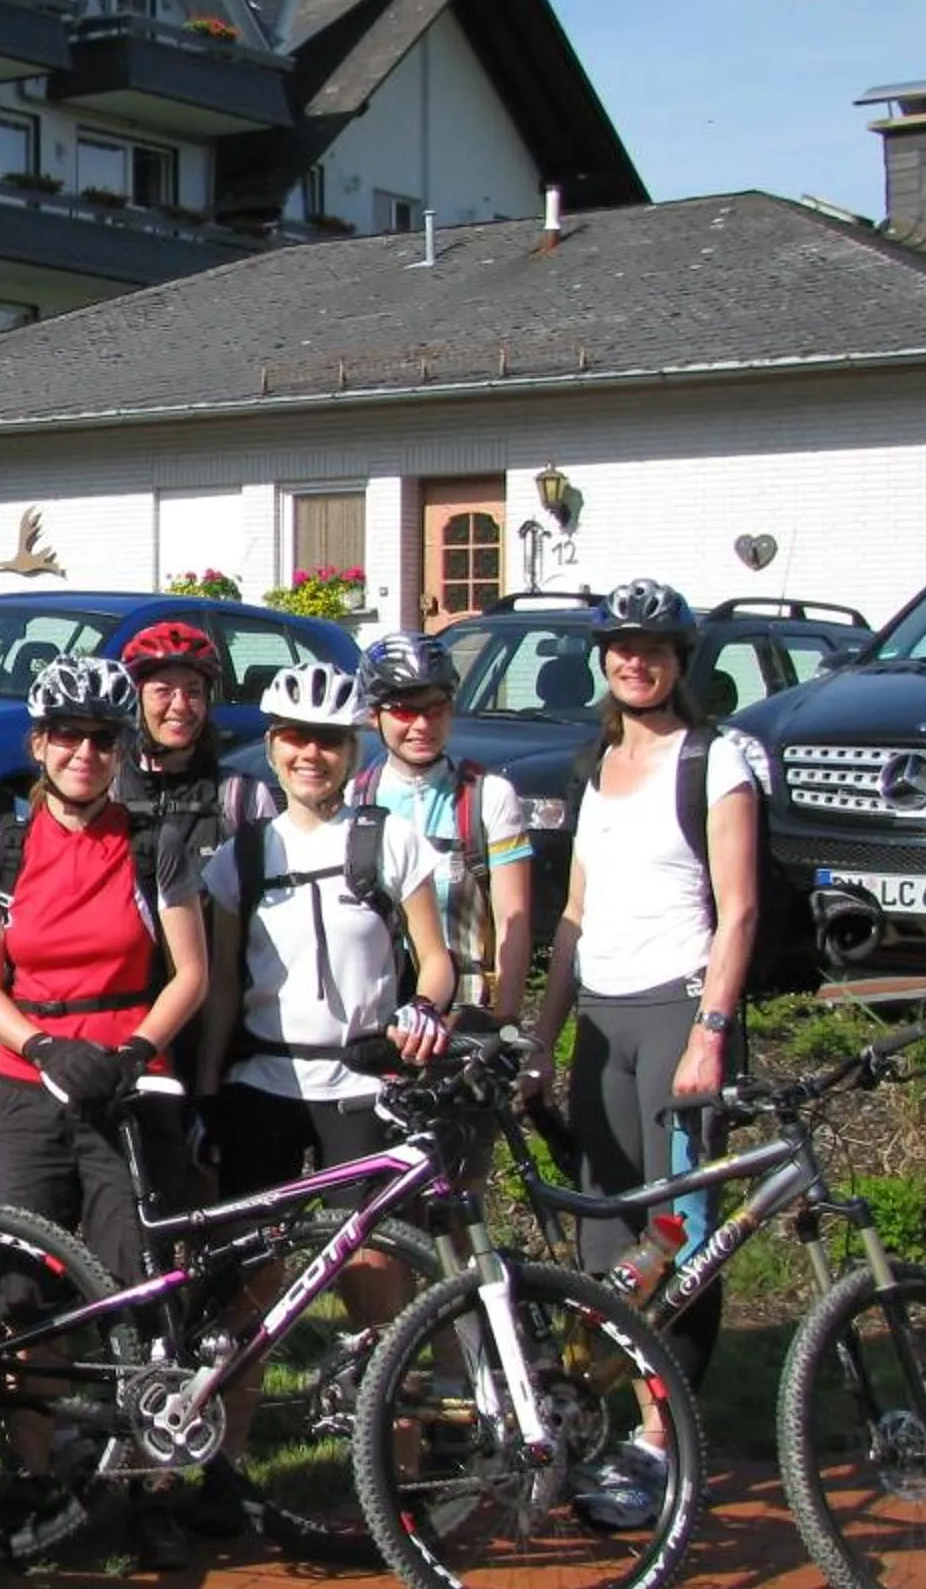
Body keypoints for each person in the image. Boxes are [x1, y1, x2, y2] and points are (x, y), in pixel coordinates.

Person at [0, 654, 211, 1567]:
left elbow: (190, 972)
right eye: (67, 736)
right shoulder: (9, 850)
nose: (85, 754)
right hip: (26, 1089)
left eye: (102, 739)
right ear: (39, 744)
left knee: (139, 1283)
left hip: (128, 1089)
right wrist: (39, 1044)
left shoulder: (155, 843)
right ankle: (38, 1473)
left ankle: (149, 1483)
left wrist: (136, 1050)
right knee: (24, 1290)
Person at [522, 579, 759, 1520]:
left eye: (653, 647)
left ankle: (664, 1444)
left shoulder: (717, 758)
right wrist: (544, 1034)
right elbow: (575, 913)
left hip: (679, 1009)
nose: (635, 660)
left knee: (677, 1241)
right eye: (620, 647)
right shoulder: (600, 762)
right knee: (605, 1240)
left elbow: (738, 908)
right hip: (604, 1020)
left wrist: (711, 1032)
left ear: (681, 658)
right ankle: (606, 1426)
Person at [197, 663, 455, 1180]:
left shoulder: (391, 839)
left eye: (329, 741)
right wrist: (204, 1094)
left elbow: (434, 958)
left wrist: (424, 1007)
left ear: (352, 753)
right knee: (255, 1256)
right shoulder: (240, 856)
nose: (311, 755)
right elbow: (224, 983)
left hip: (362, 1083)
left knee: (375, 1257)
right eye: (295, 738)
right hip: (262, 1082)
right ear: (272, 747)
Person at [355, 631, 533, 1024]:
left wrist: (503, 1023)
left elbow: (512, 922)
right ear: (374, 715)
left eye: (436, 708)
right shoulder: (355, 799)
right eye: (403, 710)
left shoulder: (488, 796)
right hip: (374, 1016)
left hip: (465, 1018)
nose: (422, 724)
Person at [115, 620, 279, 880]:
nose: (180, 706)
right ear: (137, 701)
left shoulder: (242, 797)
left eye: (193, 692)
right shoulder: (109, 792)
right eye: (163, 691)